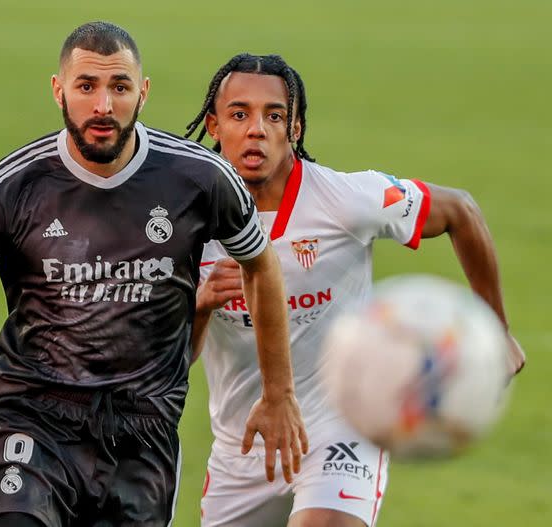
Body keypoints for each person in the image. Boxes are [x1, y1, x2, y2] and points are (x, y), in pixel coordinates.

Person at [0, 27, 307, 527]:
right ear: (58, 90)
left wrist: (278, 391)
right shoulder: (16, 188)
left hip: (142, 438)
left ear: (143, 92)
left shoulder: (199, 179)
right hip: (34, 424)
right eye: (86, 86)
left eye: (120, 87)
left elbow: (261, 266)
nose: (103, 106)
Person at [185, 53, 526, 527]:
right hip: (242, 450)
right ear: (214, 125)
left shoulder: (345, 201)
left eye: (275, 115)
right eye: (239, 114)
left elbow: (461, 211)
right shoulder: (187, 227)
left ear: (296, 128)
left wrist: (496, 328)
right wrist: (200, 307)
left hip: (341, 428)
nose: (257, 129)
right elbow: (176, 361)